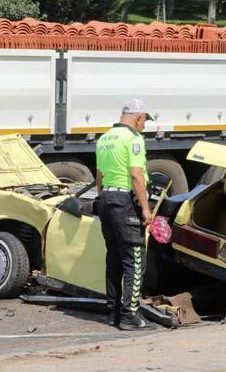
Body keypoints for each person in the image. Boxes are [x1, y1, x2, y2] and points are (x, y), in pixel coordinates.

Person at [95, 99, 156, 330]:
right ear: (138, 118)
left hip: (106, 200)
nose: (144, 127)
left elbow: (99, 177)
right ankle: (131, 315)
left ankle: (113, 312)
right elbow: (136, 175)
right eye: (144, 122)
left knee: (114, 257)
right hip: (124, 201)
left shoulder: (104, 138)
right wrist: (145, 208)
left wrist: (103, 199)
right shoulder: (133, 139)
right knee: (134, 257)